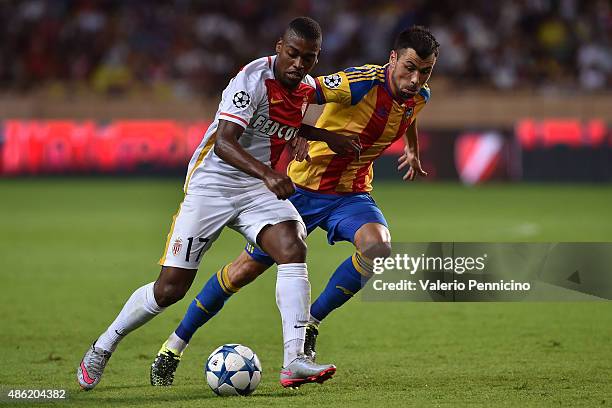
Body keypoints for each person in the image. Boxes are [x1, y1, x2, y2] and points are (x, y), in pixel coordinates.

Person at [77, 16, 356, 391]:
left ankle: (294, 361)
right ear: (279, 47)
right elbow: (225, 143)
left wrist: (322, 135)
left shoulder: (304, 87)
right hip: (213, 186)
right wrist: (270, 174)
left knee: (292, 245)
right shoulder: (250, 80)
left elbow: (281, 123)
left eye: (309, 58)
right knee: (169, 290)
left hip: (255, 187)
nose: (299, 64)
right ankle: (104, 345)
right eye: (293, 54)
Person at [150, 25, 439, 385]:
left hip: (351, 194)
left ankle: (310, 325)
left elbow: (409, 112)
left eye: (424, 71)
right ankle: (174, 345)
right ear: (392, 58)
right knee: (242, 272)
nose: (415, 79)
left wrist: (411, 147)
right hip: (301, 189)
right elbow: (301, 88)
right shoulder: (359, 82)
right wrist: (295, 132)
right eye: (409, 68)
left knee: (378, 246)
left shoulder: (419, 95)